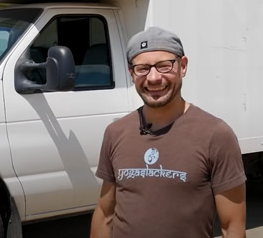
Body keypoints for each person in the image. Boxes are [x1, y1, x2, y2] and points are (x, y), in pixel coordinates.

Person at [90, 27, 247, 238]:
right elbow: (104, 213)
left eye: (164, 66)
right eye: (142, 68)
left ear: (183, 66)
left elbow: (232, 227)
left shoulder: (216, 134)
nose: (153, 78)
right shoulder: (116, 132)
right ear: (131, 73)